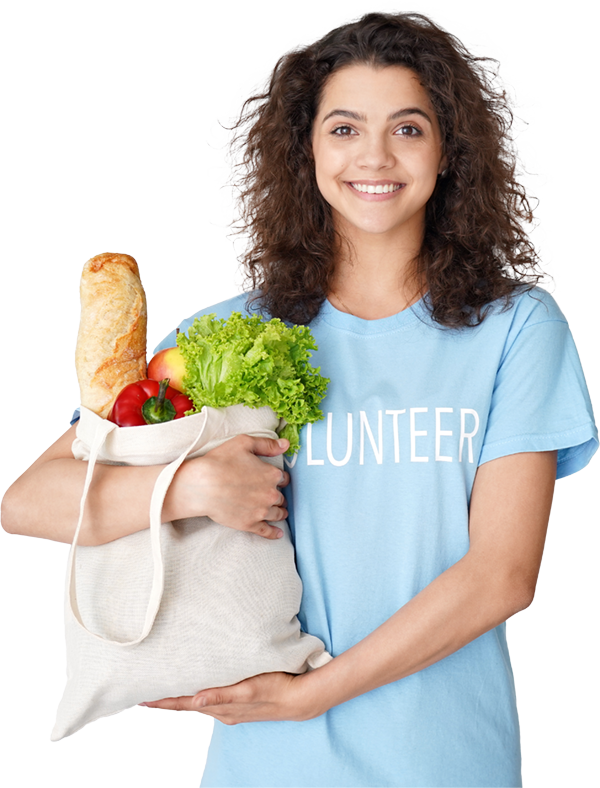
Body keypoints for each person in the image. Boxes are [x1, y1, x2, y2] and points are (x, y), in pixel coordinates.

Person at [1, 10, 597, 788]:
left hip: (448, 760)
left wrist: (312, 696)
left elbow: (502, 575)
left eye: (409, 129)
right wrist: (190, 486)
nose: (375, 157)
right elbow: (29, 501)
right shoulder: (226, 335)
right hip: (265, 767)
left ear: (451, 150)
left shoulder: (515, 329)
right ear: (305, 149)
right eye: (344, 129)